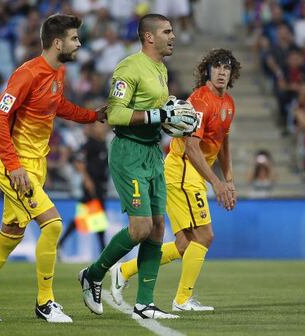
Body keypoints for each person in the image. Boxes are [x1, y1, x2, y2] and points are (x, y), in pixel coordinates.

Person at [0, 14, 105, 323]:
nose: (79, 43)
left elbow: (57, 105)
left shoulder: (58, 72)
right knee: (53, 225)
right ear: (57, 42)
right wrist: (13, 166)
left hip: (36, 165)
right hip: (16, 165)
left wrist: (91, 116)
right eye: (75, 38)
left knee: (11, 235)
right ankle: (45, 303)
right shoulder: (27, 74)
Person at [78, 13, 198, 320]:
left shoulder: (160, 68)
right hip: (129, 152)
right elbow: (116, 114)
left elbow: (156, 110)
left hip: (152, 153)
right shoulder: (129, 67)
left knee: (158, 227)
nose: (173, 36)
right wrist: (160, 115)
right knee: (141, 228)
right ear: (149, 37)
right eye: (167, 32)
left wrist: (172, 118)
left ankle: (145, 303)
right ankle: (93, 274)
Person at [110, 48, 241, 312]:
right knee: (205, 236)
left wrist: (228, 177)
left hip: (190, 173)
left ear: (232, 74)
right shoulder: (200, 101)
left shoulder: (228, 103)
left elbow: (222, 140)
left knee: (185, 244)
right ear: (208, 71)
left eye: (226, 68)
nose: (222, 72)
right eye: (217, 67)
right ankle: (182, 300)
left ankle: (123, 271)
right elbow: (192, 148)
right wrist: (216, 183)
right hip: (182, 170)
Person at [58, 122, 109, 254]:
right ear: (93, 128)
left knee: (85, 219)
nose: (102, 127)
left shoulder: (103, 143)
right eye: (99, 125)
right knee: (98, 219)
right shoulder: (90, 143)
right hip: (91, 186)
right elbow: (78, 161)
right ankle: (104, 251)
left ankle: (59, 244)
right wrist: (87, 180)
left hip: (100, 186)